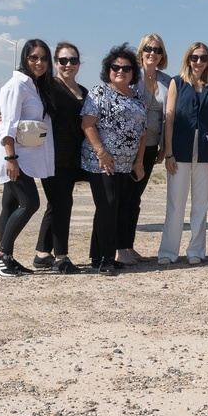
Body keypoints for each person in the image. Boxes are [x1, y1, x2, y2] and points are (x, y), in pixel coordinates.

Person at [0, 39, 56, 277]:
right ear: (24, 59)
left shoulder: (35, 86)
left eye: (44, 58)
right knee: (30, 203)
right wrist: (11, 159)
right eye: (33, 57)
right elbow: (8, 126)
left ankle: (7, 258)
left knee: (10, 203)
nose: (39, 62)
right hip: (15, 155)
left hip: (23, 154)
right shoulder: (15, 86)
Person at [80, 44, 147, 276]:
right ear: (108, 69)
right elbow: (87, 124)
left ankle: (98, 256)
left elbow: (143, 131)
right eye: (115, 67)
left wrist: (139, 161)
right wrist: (101, 152)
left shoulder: (137, 98)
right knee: (107, 205)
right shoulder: (98, 92)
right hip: (101, 162)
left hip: (126, 163)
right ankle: (107, 258)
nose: (121, 71)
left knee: (112, 207)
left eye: (126, 68)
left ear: (133, 72)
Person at [158, 42, 208, 266]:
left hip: (205, 152)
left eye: (203, 58)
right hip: (180, 150)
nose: (199, 62)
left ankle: (196, 249)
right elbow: (170, 118)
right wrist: (169, 153)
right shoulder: (177, 82)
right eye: (194, 57)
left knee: (201, 203)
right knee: (175, 203)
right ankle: (168, 251)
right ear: (188, 59)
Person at [32, 41, 86, 274]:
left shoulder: (83, 91)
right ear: (55, 63)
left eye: (72, 60)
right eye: (63, 61)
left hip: (75, 157)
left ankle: (42, 253)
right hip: (52, 156)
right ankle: (61, 257)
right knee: (62, 204)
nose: (68, 65)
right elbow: (27, 106)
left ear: (78, 63)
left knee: (56, 205)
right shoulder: (48, 87)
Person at [117, 34, 170, 265]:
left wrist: (163, 148)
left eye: (157, 50)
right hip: (127, 148)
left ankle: (129, 244)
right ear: (141, 51)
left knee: (135, 198)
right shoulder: (130, 75)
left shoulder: (167, 81)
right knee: (123, 197)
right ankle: (119, 248)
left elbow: (169, 117)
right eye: (148, 48)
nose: (152, 53)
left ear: (162, 55)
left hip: (149, 147)